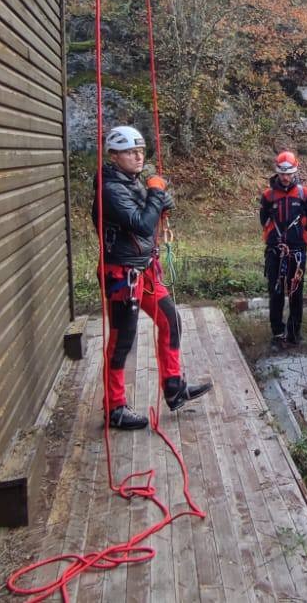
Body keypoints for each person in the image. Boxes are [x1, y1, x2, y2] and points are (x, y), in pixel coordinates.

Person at [95, 125, 212, 429]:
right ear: (114, 155)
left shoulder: (129, 182)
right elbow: (142, 224)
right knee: (122, 341)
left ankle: (174, 388)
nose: (138, 156)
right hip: (123, 274)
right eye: (130, 151)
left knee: (170, 320)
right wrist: (157, 194)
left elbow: (149, 211)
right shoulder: (110, 189)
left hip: (143, 269)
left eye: (141, 151)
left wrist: (157, 197)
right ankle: (114, 407)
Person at [260, 150, 307, 348]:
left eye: (289, 173)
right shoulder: (268, 196)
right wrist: (275, 241)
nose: (285, 177)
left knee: (295, 291)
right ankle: (277, 333)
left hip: (298, 250)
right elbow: (264, 220)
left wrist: (295, 237)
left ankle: (294, 332)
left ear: (295, 171)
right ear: (277, 172)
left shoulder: (304, 194)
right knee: (275, 292)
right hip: (275, 250)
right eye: (282, 173)